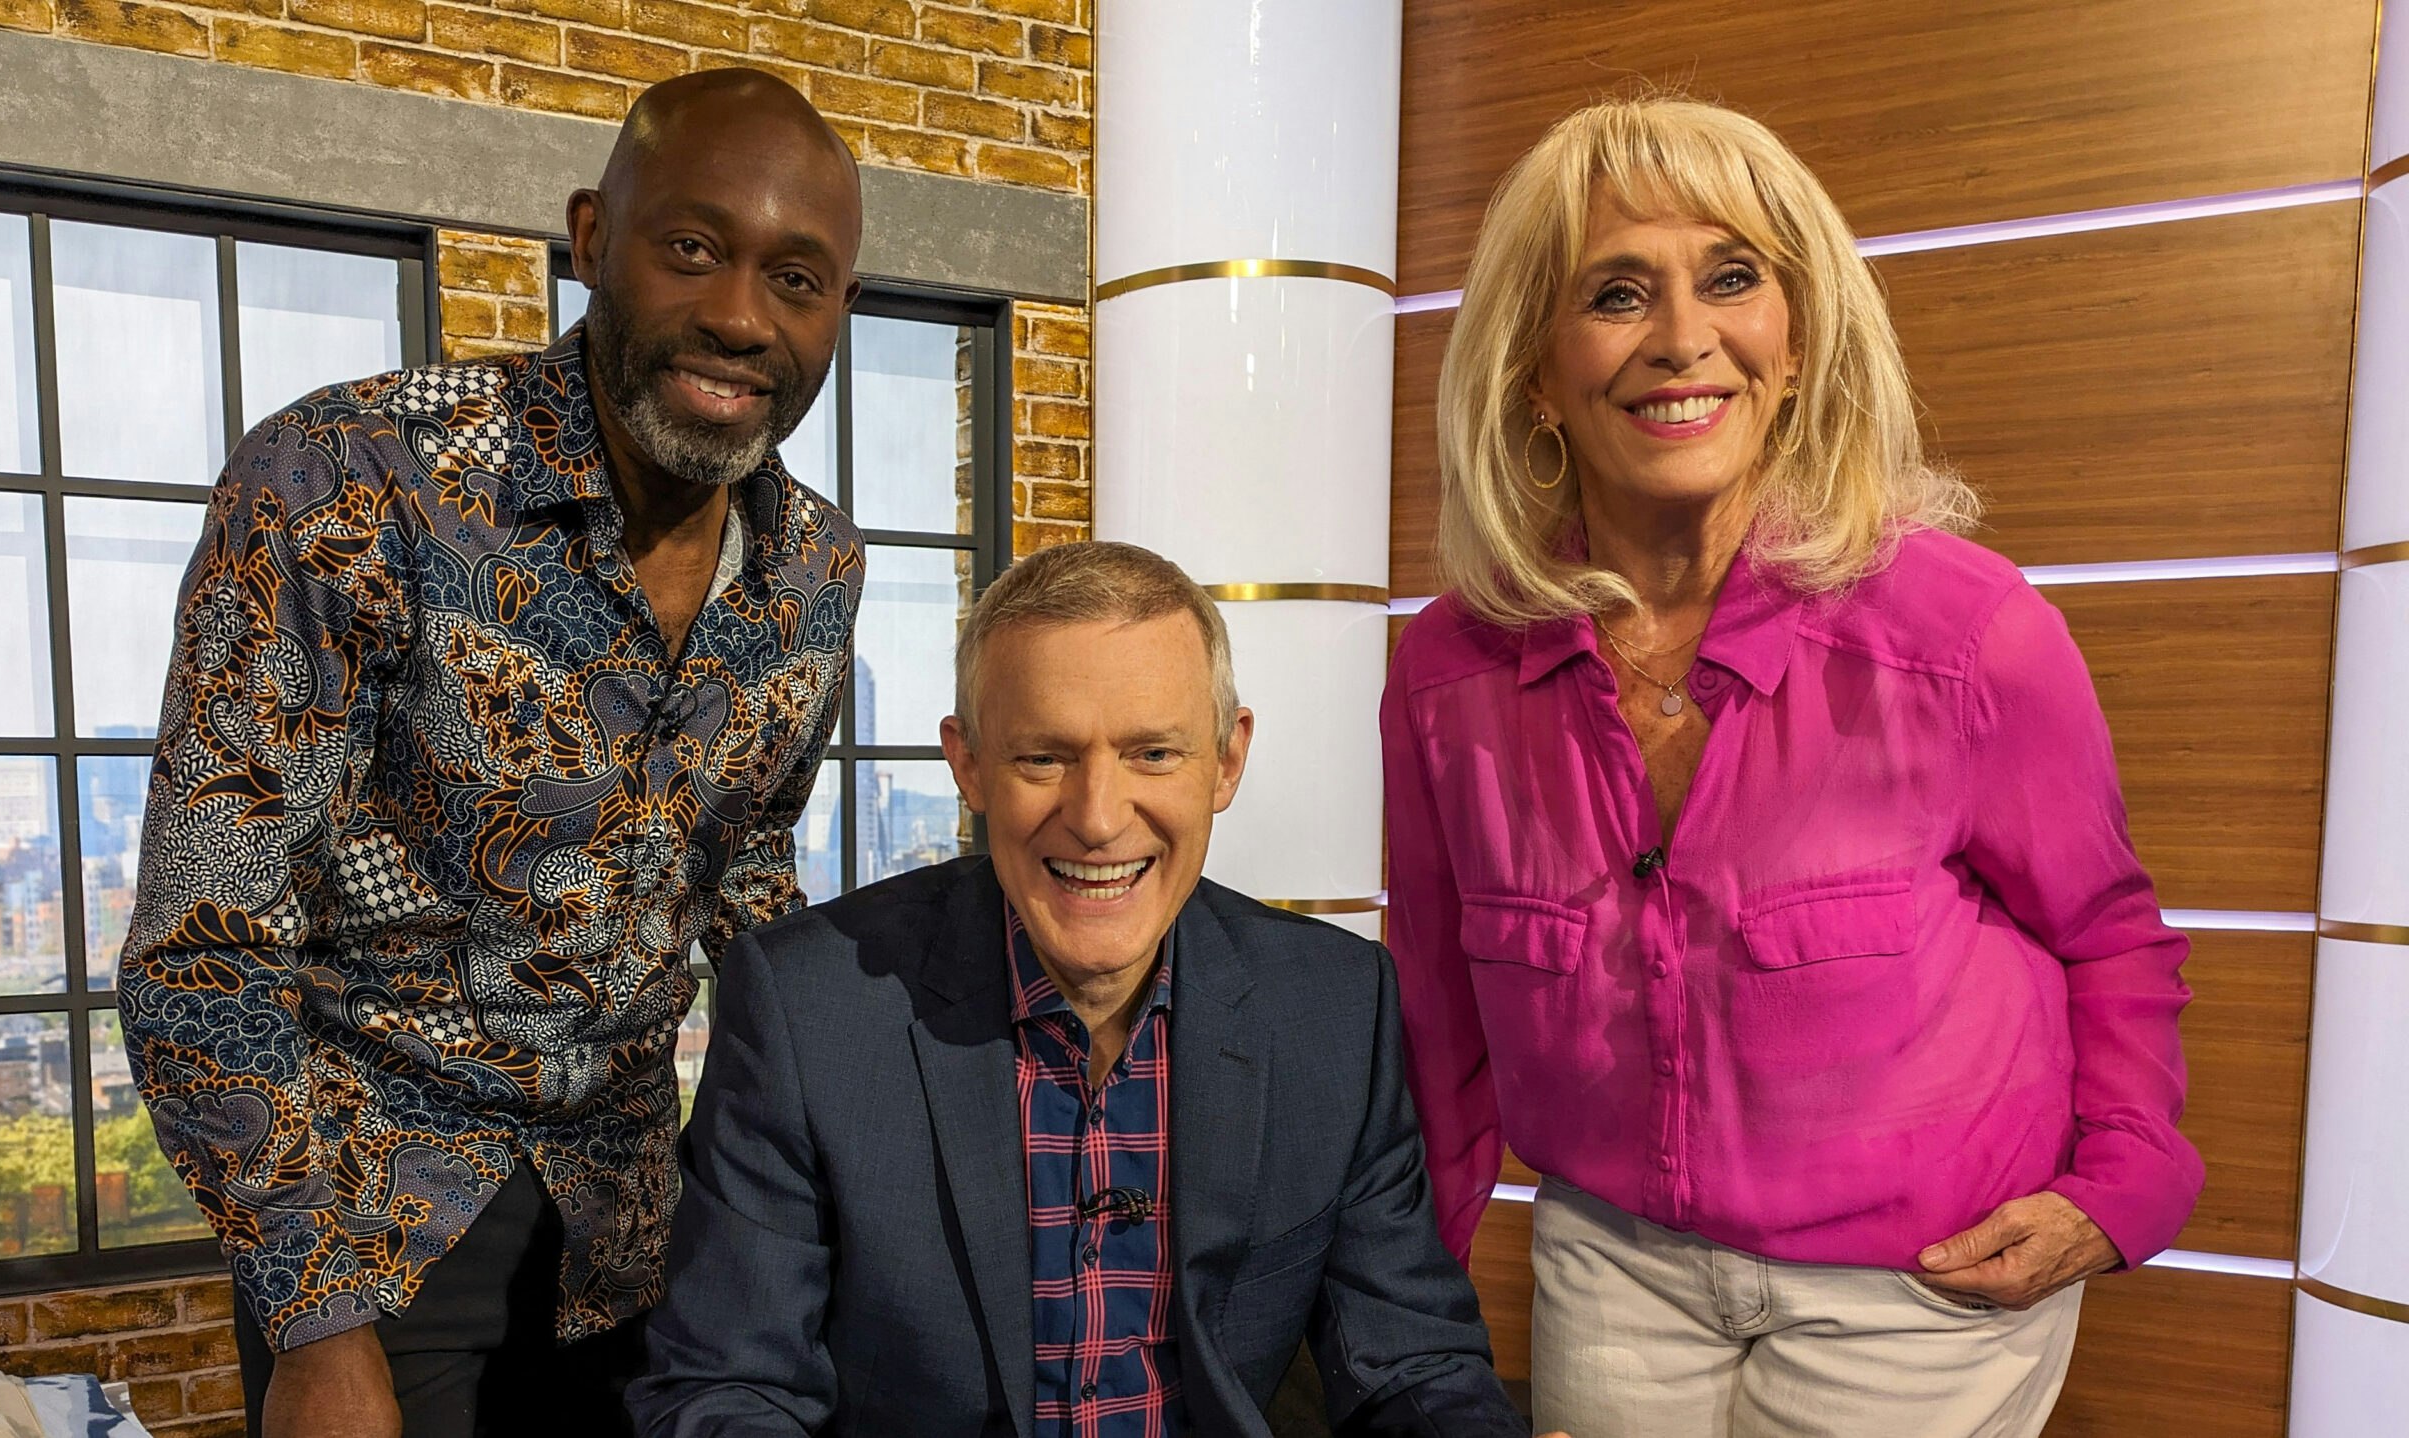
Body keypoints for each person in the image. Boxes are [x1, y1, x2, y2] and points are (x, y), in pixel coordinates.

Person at [1383, 97, 2204, 1438]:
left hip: (1923, 1286)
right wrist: (1412, 1285)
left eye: (1731, 277)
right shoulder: (1446, 673)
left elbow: (2108, 938)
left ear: (1797, 337)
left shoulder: (1971, 631)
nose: (1681, 337)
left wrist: (2116, 1189)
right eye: (1614, 293)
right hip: (1617, 1269)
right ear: (1535, 365)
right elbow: (1439, 1007)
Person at [119, 70, 866, 1438]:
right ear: (591, 239)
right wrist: (313, 1318)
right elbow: (204, 942)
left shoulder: (817, 566)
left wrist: (851, 1150)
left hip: (644, 1229)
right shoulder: (344, 477)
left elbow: (752, 866)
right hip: (372, 1236)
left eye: (799, 279)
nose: (743, 316)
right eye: (693, 248)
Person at [629, 541, 1537, 1438]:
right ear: (969, 764)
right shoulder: (806, 1010)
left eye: (1153, 753)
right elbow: (727, 1390)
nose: (1099, 818)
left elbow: (1411, 1366)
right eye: (1043, 759)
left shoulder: (1335, 1009)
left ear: (1226, 760)